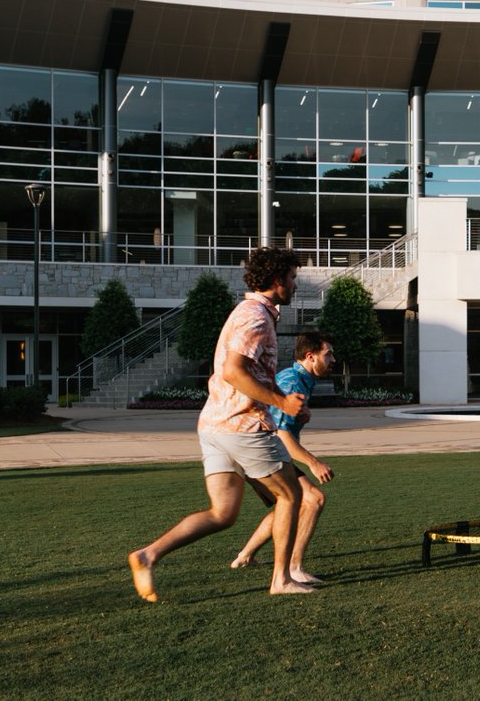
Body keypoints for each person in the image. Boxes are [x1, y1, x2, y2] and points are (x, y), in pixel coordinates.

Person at [128, 246, 312, 601]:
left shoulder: (253, 313)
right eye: (292, 278)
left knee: (223, 513)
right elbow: (233, 372)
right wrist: (280, 402)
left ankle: (146, 555)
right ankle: (282, 580)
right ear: (276, 280)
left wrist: (285, 402)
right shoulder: (255, 317)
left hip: (214, 427)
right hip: (242, 426)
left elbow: (255, 372)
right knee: (292, 495)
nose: (295, 285)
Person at [231, 332, 336, 584]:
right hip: (262, 450)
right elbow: (283, 435)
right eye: (328, 354)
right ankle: (294, 567)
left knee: (287, 504)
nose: (333, 359)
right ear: (310, 357)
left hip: (258, 449)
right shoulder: (292, 383)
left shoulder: (301, 380)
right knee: (313, 499)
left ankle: (245, 556)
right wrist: (313, 462)